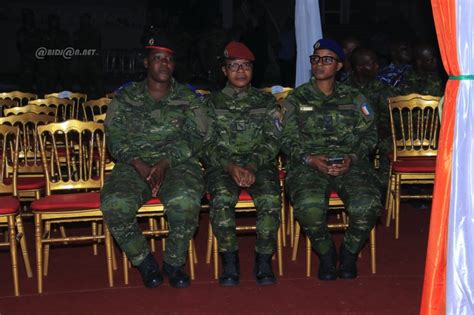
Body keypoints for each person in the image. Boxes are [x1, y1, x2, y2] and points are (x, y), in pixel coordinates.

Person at [100, 31, 209, 289]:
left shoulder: (189, 98)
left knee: (185, 200)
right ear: (146, 62)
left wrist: (165, 162)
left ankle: (173, 262)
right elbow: (113, 137)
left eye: (169, 60)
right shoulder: (126, 98)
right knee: (114, 203)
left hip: (178, 164)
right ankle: (144, 260)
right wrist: (139, 164)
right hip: (133, 164)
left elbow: (200, 136)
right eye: (157, 58)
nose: (164, 64)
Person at [281, 39, 382, 281]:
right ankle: (326, 253)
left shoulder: (355, 97)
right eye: (316, 59)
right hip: (310, 165)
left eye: (327, 60)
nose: (319, 64)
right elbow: (284, 137)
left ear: (338, 66)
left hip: (350, 163)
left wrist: (353, 157)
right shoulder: (297, 98)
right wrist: (309, 159)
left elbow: (371, 133)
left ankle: (348, 252)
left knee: (367, 204)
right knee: (308, 205)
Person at [204, 41, 282, 286]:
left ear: (252, 70)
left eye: (246, 66)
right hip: (222, 167)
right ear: (224, 71)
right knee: (223, 198)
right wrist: (229, 166)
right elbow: (204, 145)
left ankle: (263, 260)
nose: (240, 71)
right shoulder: (209, 104)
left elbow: (274, 140)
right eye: (233, 66)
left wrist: (252, 166)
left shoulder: (267, 102)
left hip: (260, 166)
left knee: (270, 198)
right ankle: (229, 260)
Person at [345, 47, 395, 191]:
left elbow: (392, 114)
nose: (376, 66)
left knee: (388, 144)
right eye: (371, 63)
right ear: (360, 68)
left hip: (377, 132)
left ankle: (383, 185)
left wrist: (385, 127)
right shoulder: (343, 89)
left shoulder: (381, 87)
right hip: (351, 133)